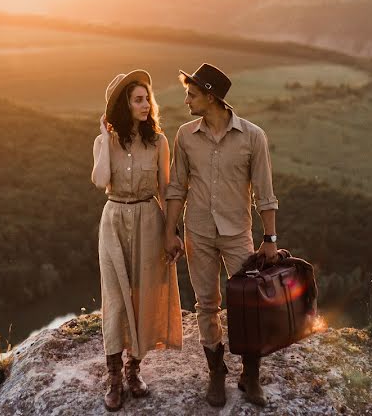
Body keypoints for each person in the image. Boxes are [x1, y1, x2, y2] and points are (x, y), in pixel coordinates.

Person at [164, 63, 279, 408]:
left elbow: (265, 193)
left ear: (211, 96)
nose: (186, 100)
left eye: (192, 94)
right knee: (207, 305)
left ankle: (250, 375)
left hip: (236, 234)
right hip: (197, 231)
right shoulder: (185, 135)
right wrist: (171, 232)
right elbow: (175, 187)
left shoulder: (253, 137)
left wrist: (270, 239)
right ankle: (216, 373)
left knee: (249, 305)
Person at [91, 70, 183, 411]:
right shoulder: (105, 142)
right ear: (124, 106)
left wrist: (171, 232)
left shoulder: (158, 142)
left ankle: (133, 370)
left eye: (148, 99)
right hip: (114, 220)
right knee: (115, 298)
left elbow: (165, 188)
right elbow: (101, 181)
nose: (146, 105)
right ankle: (114, 377)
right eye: (138, 100)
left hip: (148, 219)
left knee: (143, 295)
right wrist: (104, 137)